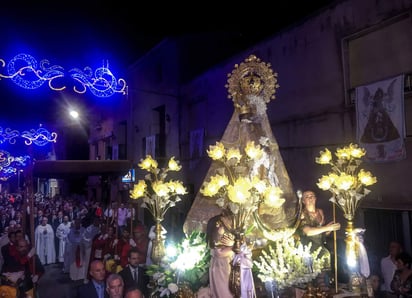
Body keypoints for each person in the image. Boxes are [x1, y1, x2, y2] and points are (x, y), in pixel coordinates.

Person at [297, 190, 341, 268]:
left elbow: (323, 234)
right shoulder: (302, 214)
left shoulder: (320, 212)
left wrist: (330, 229)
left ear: (315, 198)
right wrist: (327, 227)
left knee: (325, 266)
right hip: (308, 248)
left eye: (312, 196)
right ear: (303, 201)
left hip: (321, 247)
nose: (310, 198)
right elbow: (307, 231)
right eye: (307, 197)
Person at [206, 210, 235, 298]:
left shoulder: (226, 236)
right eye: (222, 224)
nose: (227, 225)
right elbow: (220, 252)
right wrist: (233, 246)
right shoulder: (216, 240)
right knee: (224, 291)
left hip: (226, 265)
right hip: (222, 267)